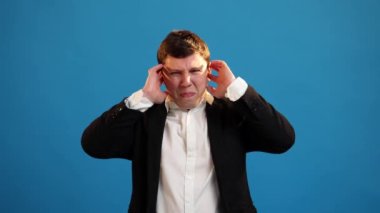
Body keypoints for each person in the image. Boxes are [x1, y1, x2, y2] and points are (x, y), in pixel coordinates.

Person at [81, 30, 295, 213]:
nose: (186, 82)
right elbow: (93, 145)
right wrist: (143, 98)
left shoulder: (232, 114)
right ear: (161, 75)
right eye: (175, 73)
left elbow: (283, 139)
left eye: (195, 70)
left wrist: (237, 90)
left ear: (208, 70)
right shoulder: (144, 119)